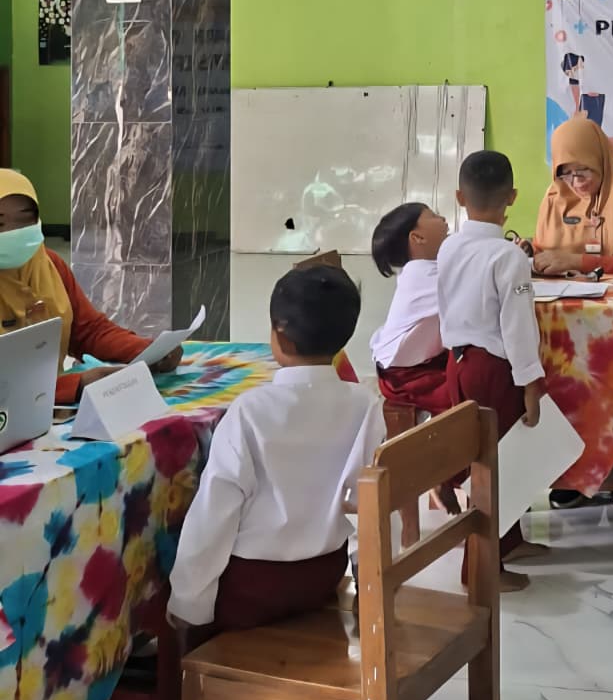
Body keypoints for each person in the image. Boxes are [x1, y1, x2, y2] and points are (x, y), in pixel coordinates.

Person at [167, 266, 384, 630]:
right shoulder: (365, 404)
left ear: (279, 333)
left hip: (252, 588)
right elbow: (371, 506)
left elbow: (213, 514)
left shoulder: (249, 411)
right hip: (323, 575)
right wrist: (368, 584)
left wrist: (188, 605)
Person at [439, 151, 551, 592]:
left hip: (459, 362)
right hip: (493, 368)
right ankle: (481, 570)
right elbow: (519, 328)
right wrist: (530, 384)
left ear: (459, 197)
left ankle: (508, 541)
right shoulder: (508, 257)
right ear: (513, 197)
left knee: (494, 456)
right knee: (493, 464)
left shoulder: (448, 246)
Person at [0, 168, 181, 403]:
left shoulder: (49, 264)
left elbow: (87, 331)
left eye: (26, 221)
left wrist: (148, 351)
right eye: (1, 223)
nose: (15, 232)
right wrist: (74, 386)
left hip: (43, 412)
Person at [531, 115, 613, 277]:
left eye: (584, 169)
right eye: (567, 173)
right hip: (559, 295)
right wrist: (529, 253)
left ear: (601, 161)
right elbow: (542, 251)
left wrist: (576, 262)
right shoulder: (555, 196)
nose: (577, 182)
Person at [370, 202, 451, 417]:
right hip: (405, 378)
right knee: (475, 387)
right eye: (433, 215)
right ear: (418, 238)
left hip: (417, 365)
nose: (443, 219)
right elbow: (478, 287)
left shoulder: (430, 268)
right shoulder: (421, 273)